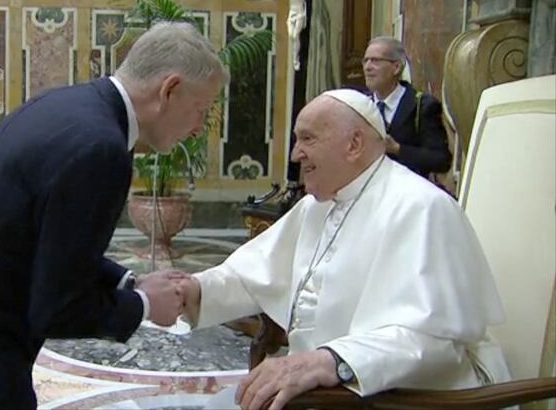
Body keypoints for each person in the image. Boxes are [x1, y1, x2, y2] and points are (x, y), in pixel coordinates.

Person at [0, 21, 228, 409]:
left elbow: (47, 241)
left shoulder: (65, 105)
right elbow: (57, 308)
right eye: (201, 109)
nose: (198, 128)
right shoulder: (101, 149)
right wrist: (144, 305)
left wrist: (129, 280)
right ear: (170, 89)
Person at [180, 89, 509, 410]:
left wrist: (330, 362)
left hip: (412, 397)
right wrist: (192, 291)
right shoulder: (316, 205)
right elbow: (253, 274)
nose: (295, 154)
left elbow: (435, 341)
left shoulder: (423, 208)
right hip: (330, 395)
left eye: (308, 139)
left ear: (354, 144)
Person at [362, 36, 452, 178]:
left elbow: (441, 160)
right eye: (366, 60)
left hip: (407, 192)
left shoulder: (422, 105)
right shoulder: (360, 104)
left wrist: (398, 149)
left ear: (396, 67)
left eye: (375, 61)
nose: (367, 67)